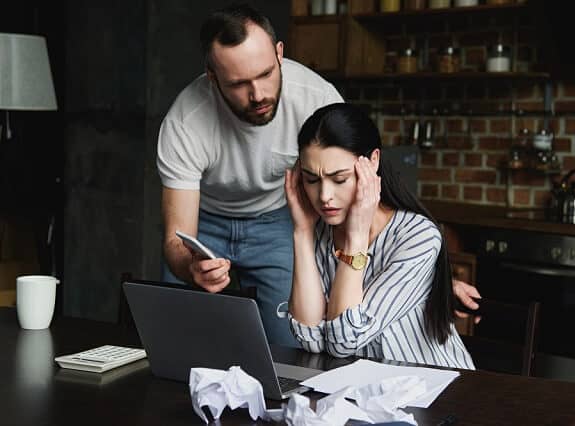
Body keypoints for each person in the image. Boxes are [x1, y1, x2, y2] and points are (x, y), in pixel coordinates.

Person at [157, 4, 480, 348]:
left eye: (266, 74)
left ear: (280, 53)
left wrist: (428, 278)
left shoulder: (316, 97)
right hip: (207, 224)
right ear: (212, 76)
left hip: (279, 218)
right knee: (173, 337)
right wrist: (190, 267)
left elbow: (358, 186)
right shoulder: (185, 122)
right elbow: (176, 240)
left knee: (292, 346)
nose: (258, 95)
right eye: (238, 84)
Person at [285, 103, 475, 369]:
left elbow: (343, 341)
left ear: (373, 161)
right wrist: (302, 232)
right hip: (361, 391)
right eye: (311, 180)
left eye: (339, 179)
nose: (324, 196)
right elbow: (311, 341)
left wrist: (357, 236)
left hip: (433, 391)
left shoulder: (418, 237)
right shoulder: (319, 231)